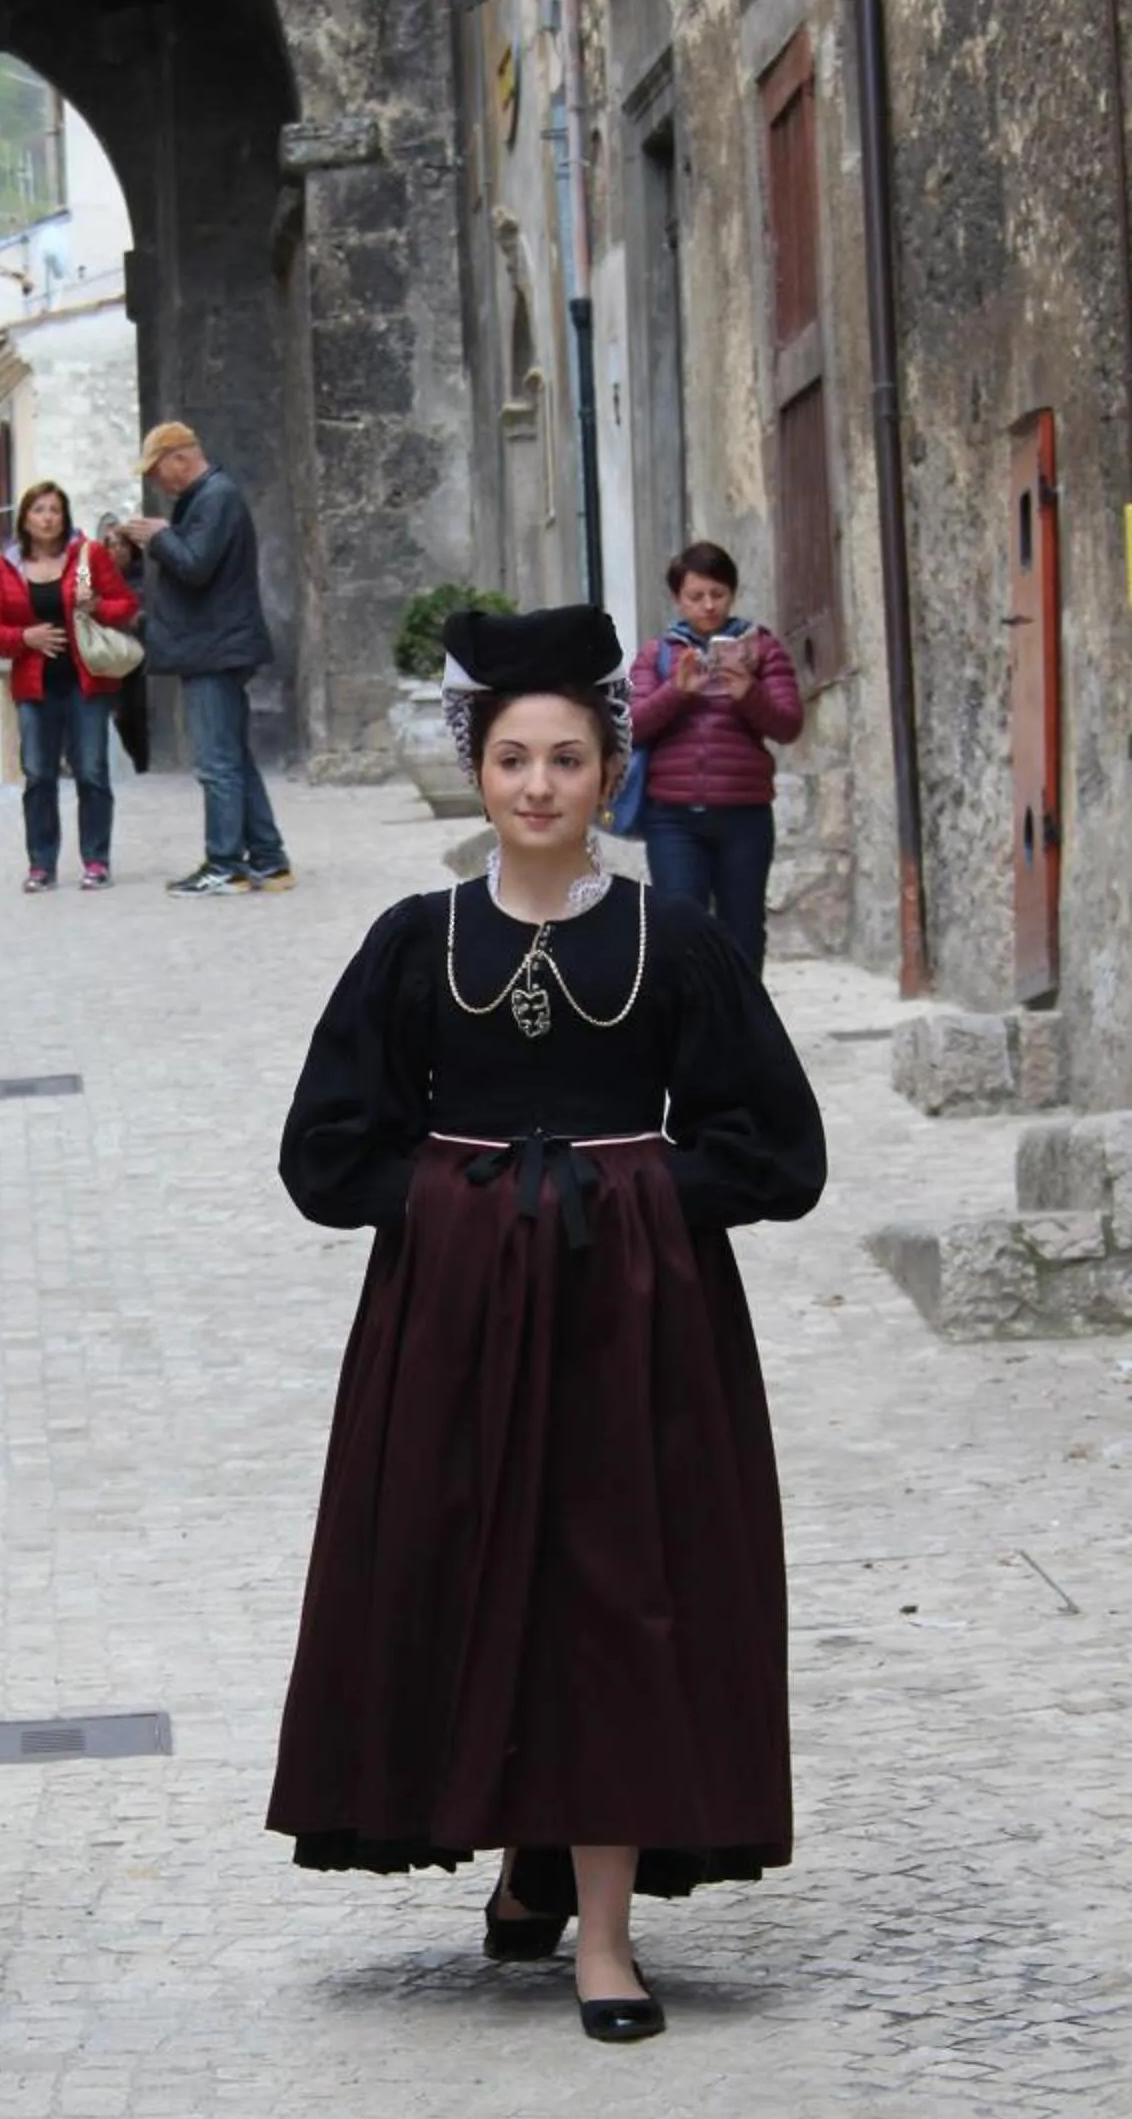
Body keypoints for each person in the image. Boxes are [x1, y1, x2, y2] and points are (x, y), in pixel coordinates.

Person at [267, 603, 826, 2044]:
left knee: (613, 1595)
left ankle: (605, 1936)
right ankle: (520, 1853)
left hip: (635, 1326)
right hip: (451, 1325)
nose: (536, 787)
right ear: (478, 766)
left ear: (608, 771)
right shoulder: (416, 943)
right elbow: (327, 1152)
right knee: (472, 1570)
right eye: (512, 758)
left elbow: (775, 1148)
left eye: (566, 760)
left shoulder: (671, 941)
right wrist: (455, 1205)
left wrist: (641, 1193)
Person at [113, 422, 293, 896]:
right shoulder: (211, 497)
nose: (157, 483)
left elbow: (195, 565)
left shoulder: (215, 497)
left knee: (217, 764)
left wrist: (160, 537)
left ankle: (225, 863)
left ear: (180, 458)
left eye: (157, 472)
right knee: (234, 758)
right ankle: (269, 859)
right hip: (216, 645)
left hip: (213, 649)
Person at [629, 539, 804, 974]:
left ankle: (743, 1032)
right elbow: (628, 727)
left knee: (743, 928)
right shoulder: (658, 654)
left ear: (732, 593)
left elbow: (788, 724)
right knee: (678, 927)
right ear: (677, 599)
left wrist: (750, 693)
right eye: (696, 597)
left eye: (718, 594)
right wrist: (677, 692)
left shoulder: (761, 648)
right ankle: (689, 1029)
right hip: (672, 815)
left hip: (744, 813)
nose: (708, 606)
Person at [0, 480, 141, 889]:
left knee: (91, 771)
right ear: (25, 520)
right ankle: (41, 864)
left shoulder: (89, 556)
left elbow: (127, 606)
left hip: (86, 682)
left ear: (64, 516)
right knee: (38, 776)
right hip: (34, 687)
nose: (47, 518)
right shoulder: (5, 567)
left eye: (54, 510)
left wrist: (97, 605)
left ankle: (96, 860)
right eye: (39, 510)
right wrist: (25, 638)